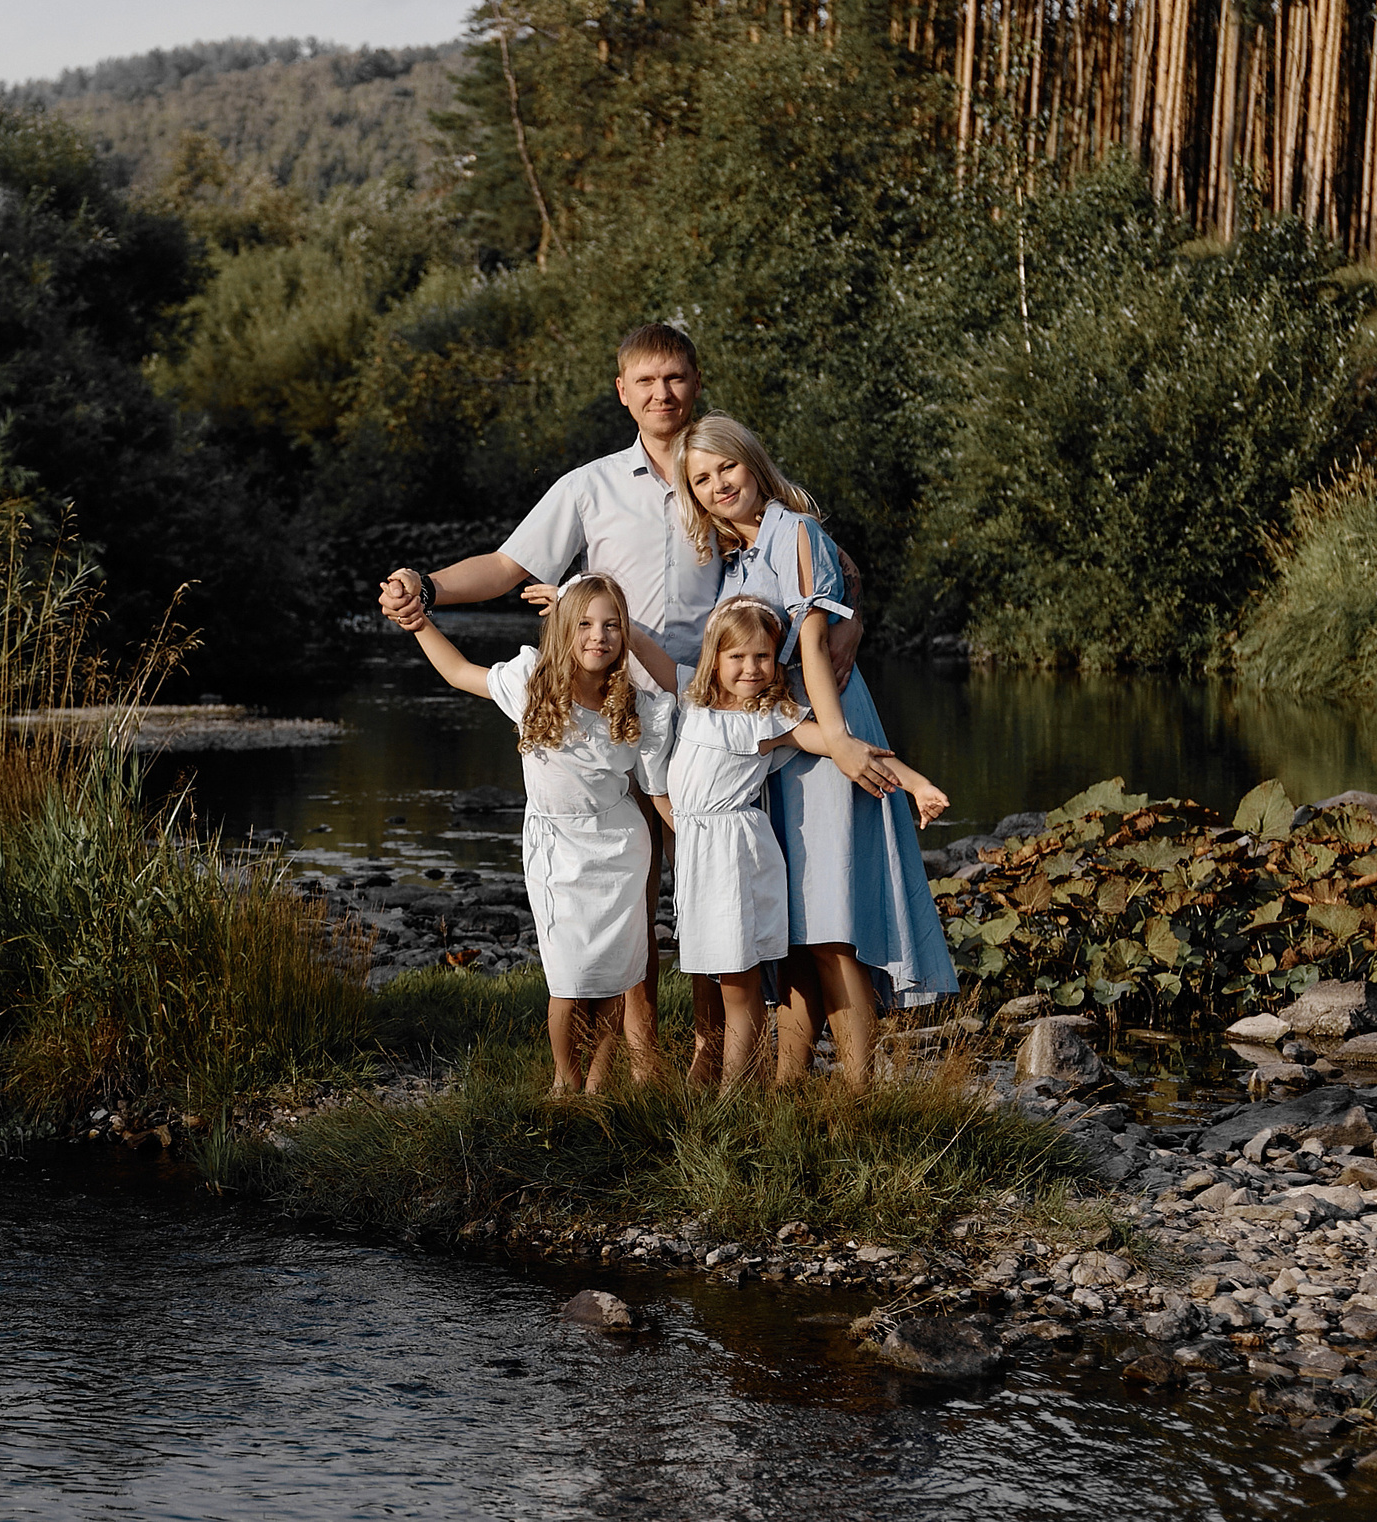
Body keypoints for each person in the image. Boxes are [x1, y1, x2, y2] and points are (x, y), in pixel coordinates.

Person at [376, 323, 865, 1081]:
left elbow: (819, 555)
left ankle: (711, 1054)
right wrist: (428, 588)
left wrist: (851, 621)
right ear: (622, 393)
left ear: (695, 382)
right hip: (618, 712)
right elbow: (506, 565)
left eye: (674, 378)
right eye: (646, 381)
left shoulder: (720, 473)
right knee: (628, 888)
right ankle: (640, 1061)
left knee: (711, 882)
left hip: (712, 716)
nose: (661, 393)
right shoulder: (590, 486)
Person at [675, 415, 959, 1091]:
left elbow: (809, 640)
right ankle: (788, 1081)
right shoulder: (737, 555)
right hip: (776, 741)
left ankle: (858, 1091)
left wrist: (839, 741)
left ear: (754, 463)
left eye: (727, 468)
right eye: (702, 479)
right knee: (794, 926)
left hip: (822, 723)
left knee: (831, 921)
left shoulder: (793, 530)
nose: (719, 485)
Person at [646, 597, 949, 1089]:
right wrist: (574, 597)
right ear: (714, 658)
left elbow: (842, 747)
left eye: (763, 657)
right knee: (722, 974)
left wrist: (916, 784)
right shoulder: (692, 699)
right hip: (699, 859)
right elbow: (646, 652)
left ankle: (735, 1091)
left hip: (734, 858)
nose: (750, 668)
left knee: (738, 978)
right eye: (737, 657)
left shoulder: (767, 721)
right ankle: (743, 1083)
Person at [391, 571, 674, 1094]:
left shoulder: (638, 706)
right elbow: (458, 672)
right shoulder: (531, 685)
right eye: (584, 624)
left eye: (612, 625)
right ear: (563, 629)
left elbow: (658, 791)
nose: (599, 636)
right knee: (569, 979)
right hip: (556, 849)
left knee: (615, 978)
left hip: (620, 850)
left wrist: (695, 839)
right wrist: (420, 622)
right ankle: (565, 1082)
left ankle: (597, 1086)